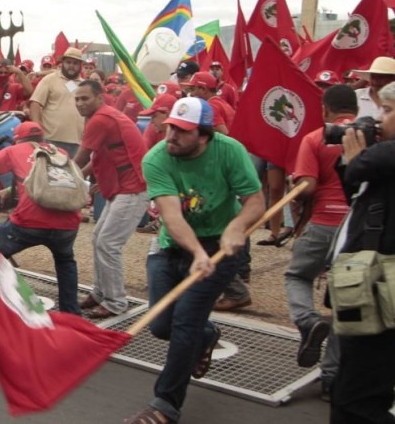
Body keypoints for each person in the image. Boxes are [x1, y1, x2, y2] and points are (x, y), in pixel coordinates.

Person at [126, 97, 264, 424]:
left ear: (204, 136)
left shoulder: (230, 151)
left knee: (185, 321)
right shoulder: (156, 158)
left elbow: (256, 201)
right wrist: (196, 254)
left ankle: (164, 407)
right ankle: (206, 337)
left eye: (182, 131)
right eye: (171, 125)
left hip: (219, 246)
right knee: (161, 325)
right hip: (172, 246)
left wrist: (236, 226)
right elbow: (172, 217)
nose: (171, 134)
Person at [0, 121, 84, 348]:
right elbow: (38, 178)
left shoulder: (13, 150)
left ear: (17, 139)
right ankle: (74, 324)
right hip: (69, 222)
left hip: (29, 222)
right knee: (65, 262)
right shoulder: (58, 151)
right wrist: (11, 190)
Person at [328, 81, 395, 422]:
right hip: (374, 287)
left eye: (387, 111)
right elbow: (355, 191)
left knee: (357, 399)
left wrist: (357, 156)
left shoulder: (385, 155)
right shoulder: (380, 162)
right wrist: (351, 161)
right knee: (356, 390)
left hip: (381, 292)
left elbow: (364, 166)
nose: (378, 121)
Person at [285, 85, 356, 401]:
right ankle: (331, 379)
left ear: (326, 110)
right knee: (343, 304)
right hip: (355, 230)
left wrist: (295, 183)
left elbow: (309, 187)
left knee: (297, 275)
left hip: (324, 224)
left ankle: (307, 320)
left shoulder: (315, 138)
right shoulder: (371, 136)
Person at [73, 80, 149, 319]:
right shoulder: (102, 115)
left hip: (133, 188)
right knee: (98, 238)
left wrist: (57, 176)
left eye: (85, 98)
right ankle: (100, 292)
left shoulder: (100, 119)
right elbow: (96, 156)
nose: (80, 103)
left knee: (108, 243)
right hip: (123, 187)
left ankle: (115, 301)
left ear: (99, 98)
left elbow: (80, 158)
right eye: (77, 99)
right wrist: (87, 177)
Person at [29, 47, 85, 156]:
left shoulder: (84, 84)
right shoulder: (49, 79)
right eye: (68, 62)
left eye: (75, 63)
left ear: (80, 65)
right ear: (62, 62)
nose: (71, 66)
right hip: (51, 140)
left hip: (77, 142)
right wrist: (38, 127)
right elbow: (35, 103)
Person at [350, 56, 395, 120]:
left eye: (381, 77)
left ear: (393, 79)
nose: (375, 81)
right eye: (373, 77)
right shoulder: (356, 96)